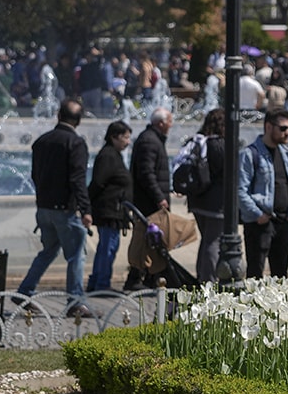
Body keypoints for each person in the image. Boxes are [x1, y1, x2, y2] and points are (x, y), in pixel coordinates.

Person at [18, 100, 93, 317]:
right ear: (78, 120)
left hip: (44, 207)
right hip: (65, 209)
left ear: (58, 115)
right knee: (76, 255)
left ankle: (24, 292)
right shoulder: (75, 143)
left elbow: (34, 175)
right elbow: (78, 179)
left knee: (47, 252)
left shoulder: (42, 141)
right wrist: (85, 209)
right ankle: (76, 302)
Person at [238, 107, 288, 279]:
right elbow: (240, 190)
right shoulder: (250, 154)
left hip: (282, 221)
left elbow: (286, 185)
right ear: (268, 127)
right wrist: (257, 214)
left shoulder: (284, 152)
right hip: (260, 223)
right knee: (255, 274)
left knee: (281, 276)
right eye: (283, 128)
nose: (287, 132)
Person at [86, 120, 133, 292]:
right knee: (108, 247)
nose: (128, 142)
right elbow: (98, 182)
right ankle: (101, 284)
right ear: (114, 137)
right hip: (109, 210)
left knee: (107, 246)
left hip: (113, 210)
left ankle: (98, 281)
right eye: (125, 138)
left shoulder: (113, 154)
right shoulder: (108, 155)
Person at [184, 109, 227, 283]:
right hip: (216, 204)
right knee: (213, 242)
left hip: (197, 199)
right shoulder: (221, 145)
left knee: (207, 240)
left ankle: (202, 276)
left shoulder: (198, 141)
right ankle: (209, 281)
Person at [131, 107, 173, 217]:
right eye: (169, 121)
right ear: (161, 124)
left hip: (151, 202)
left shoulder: (154, 139)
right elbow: (146, 173)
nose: (171, 125)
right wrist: (159, 197)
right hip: (149, 204)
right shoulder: (150, 141)